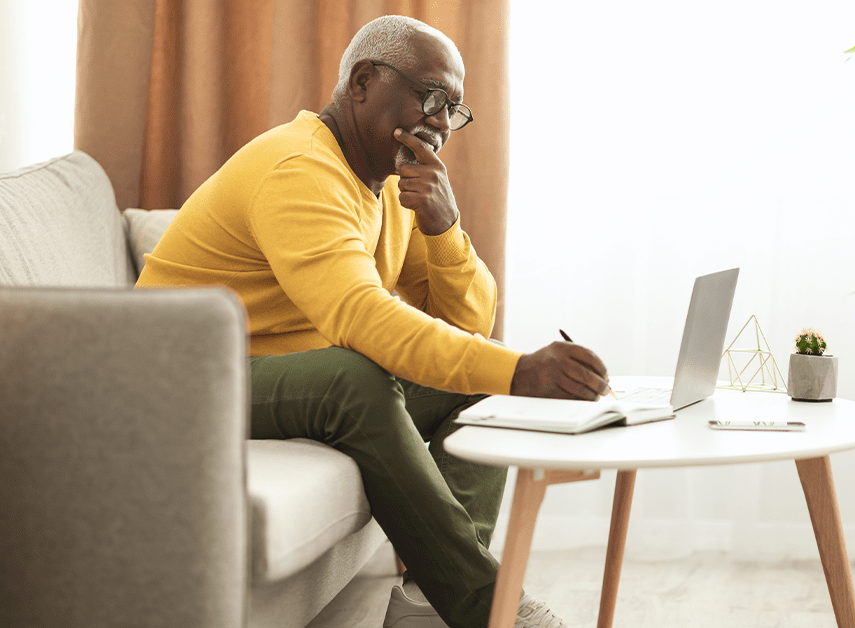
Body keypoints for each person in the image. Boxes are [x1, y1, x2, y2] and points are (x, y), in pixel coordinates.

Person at [136, 14, 609, 628]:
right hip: (177, 380)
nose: (441, 123)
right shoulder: (300, 170)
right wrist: (520, 370)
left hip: (271, 374)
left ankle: (422, 607)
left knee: (471, 378)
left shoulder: (390, 183)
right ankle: (485, 609)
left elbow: (467, 325)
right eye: (431, 96)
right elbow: (361, 316)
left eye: (454, 109)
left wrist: (445, 229)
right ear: (362, 82)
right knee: (353, 377)